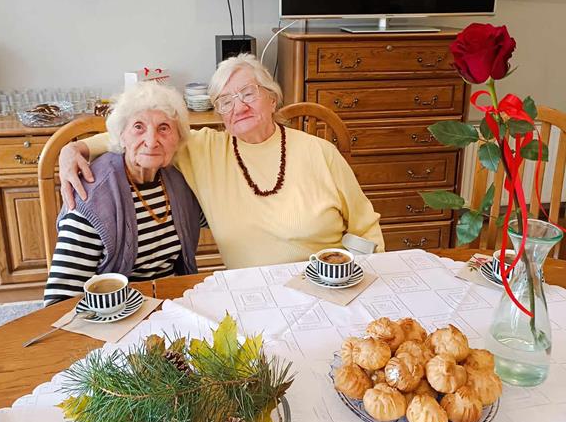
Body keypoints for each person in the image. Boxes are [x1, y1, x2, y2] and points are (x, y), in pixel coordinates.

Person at [59, 55, 384, 270]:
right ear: (220, 114)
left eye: (248, 93)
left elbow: (365, 227)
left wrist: (356, 278)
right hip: (250, 294)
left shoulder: (319, 152)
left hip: (327, 281)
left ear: (272, 98)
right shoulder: (204, 149)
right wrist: (77, 148)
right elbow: (140, 137)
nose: (238, 107)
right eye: (225, 101)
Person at [44, 83, 203, 305]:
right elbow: (59, 301)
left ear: (178, 138)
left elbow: (217, 217)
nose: (151, 141)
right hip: (113, 311)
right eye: (138, 127)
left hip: (172, 302)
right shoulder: (93, 197)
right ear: (121, 136)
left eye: (164, 128)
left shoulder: (178, 181)